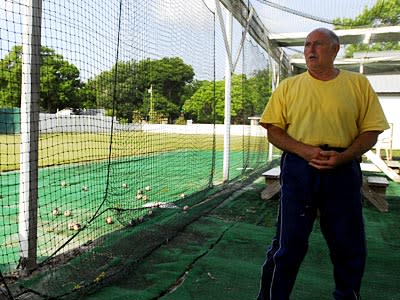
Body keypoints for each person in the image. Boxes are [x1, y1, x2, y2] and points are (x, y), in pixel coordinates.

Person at [257, 28, 389, 300]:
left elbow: (371, 131)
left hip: (342, 169)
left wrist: (344, 156)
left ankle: (347, 296)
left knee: (348, 243)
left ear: (335, 49)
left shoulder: (358, 84)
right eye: (306, 45)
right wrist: (304, 151)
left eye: (317, 44)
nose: (309, 50)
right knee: (288, 244)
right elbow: (273, 130)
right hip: (298, 169)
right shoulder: (289, 87)